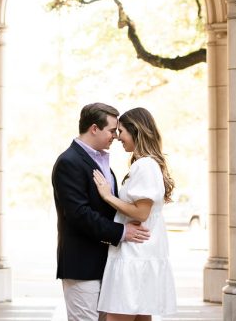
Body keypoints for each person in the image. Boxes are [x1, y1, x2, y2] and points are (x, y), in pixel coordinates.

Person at [52, 102, 152, 321]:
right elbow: (79, 215)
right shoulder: (69, 162)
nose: (116, 136)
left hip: (107, 264)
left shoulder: (101, 161)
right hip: (81, 266)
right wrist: (122, 232)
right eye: (112, 130)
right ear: (94, 128)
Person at [93, 107, 177, 321]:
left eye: (121, 131)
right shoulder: (146, 164)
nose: (118, 137)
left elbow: (141, 213)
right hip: (139, 257)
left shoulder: (144, 166)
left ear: (136, 131)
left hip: (135, 258)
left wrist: (107, 196)